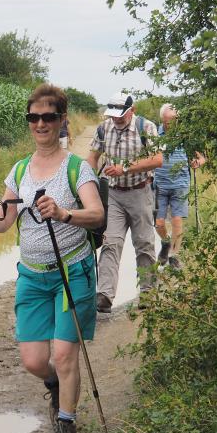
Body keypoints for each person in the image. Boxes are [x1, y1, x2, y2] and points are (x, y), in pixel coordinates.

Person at [0, 84, 103, 433]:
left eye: (48, 117)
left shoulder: (77, 168)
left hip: (70, 273)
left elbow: (96, 214)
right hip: (31, 275)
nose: (40, 124)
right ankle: (58, 390)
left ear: (62, 121)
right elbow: (4, 221)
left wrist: (63, 213)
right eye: (34, 117)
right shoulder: (19, 170)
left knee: (63, 354)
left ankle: (66, 428)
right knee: (33, 360)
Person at [86, 92, 163, 313]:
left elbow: (158, 159)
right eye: (113, 116)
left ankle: (148, 293)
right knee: (111, 242)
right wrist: (88, 180)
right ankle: (105, 296)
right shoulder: (103, 128)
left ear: (132, 110)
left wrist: (125, 168)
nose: (116, 120)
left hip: (140, 192)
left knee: (144, 244)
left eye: (121, 116)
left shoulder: (146, 127)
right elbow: (92, 157)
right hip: (113, 195)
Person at [153, 103, 206, 270]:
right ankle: (166, 243)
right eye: (167, 121)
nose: (170, 124)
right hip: (159, 185)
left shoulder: (185, 136)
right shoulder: (155, 134)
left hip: (180, 184)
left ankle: (174, 256)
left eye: (174, 121)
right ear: (162, 119)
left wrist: (198, 162)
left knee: (177, 221)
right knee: (159, 223)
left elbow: (201, 157)